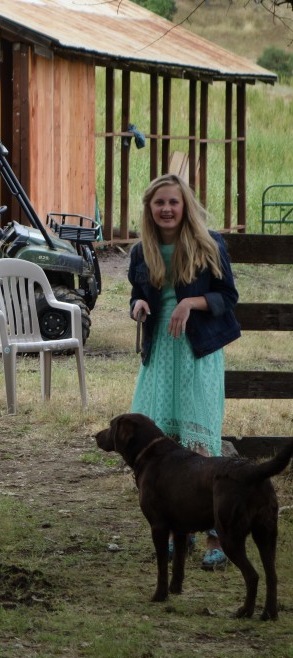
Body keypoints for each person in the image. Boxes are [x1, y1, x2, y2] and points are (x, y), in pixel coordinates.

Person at [128, 173, 240, 570]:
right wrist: (139, 307)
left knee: (200, 445)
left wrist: (191, 302)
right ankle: (180, 530)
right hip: (161, 353)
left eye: (173, 202)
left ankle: (217, 535)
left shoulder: (209, 244)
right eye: (159, 203)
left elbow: (228, 297)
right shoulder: (143, 251)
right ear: (150, 208)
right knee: (162, 444)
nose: (167, 209)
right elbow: (139, 295)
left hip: (198, 354)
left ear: (185, 205)